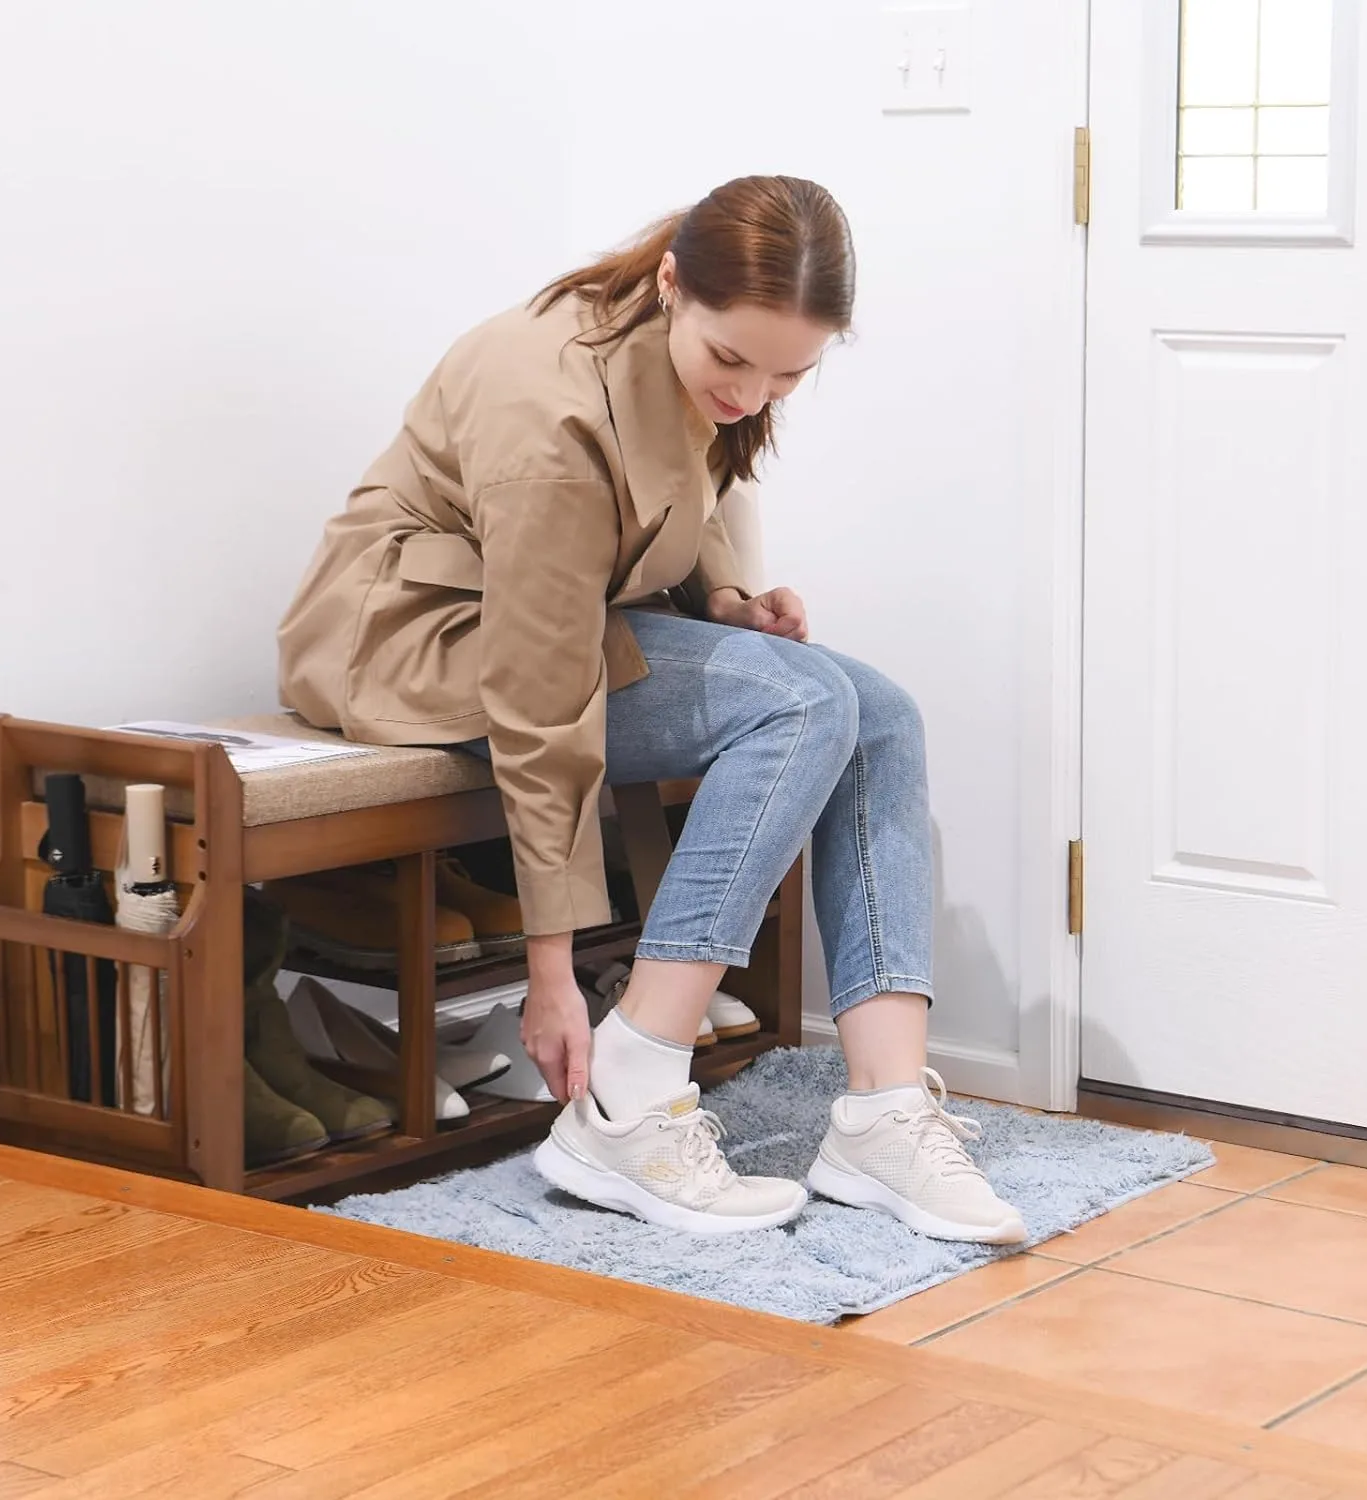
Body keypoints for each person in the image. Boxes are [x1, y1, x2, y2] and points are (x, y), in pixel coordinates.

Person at [279, 175, 1025, 1244]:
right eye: (734, 361)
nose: (754, 394)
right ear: (673, 281)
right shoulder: (547, 407)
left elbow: (682, 494)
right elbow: (540, 704)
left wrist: (722, 600)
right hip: (418, 644)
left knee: (885, 712)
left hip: (569, 620)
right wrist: (552, 972)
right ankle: (628, 1094)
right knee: (805, 703)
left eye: (790, 374)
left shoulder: (697, 357)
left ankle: (885, 1111)